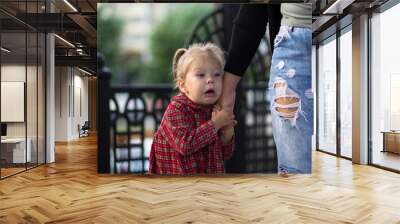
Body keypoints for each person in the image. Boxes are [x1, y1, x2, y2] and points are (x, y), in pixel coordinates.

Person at [221, 4, 313, 175]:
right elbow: (253, 15)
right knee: (295, 172)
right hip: (293, 48)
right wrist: (227, 92)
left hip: (352, 25)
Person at [149, 43, 236, 175]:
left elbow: (224, 154)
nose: (210, 80)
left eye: (217, 74)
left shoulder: (215, 109)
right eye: (201, 75)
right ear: (183, 86)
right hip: (178, 185)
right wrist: (216, 124)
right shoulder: (176, 109)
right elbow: (185, 145)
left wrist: (228, 133)